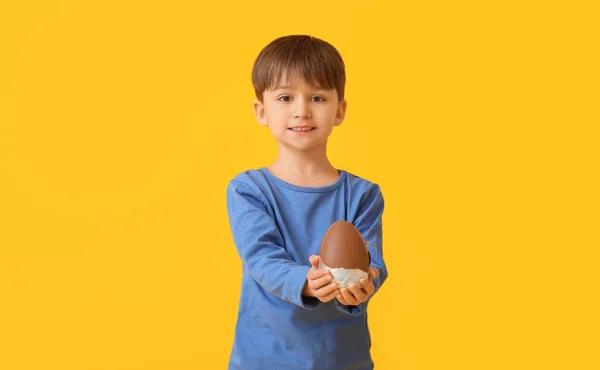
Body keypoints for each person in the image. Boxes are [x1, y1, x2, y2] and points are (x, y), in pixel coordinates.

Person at [226, 34, 388, 370]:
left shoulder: (363, 194)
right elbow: (262, 258)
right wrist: (306, 281)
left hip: (343, 360)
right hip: (264, 359)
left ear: (339, 111)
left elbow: (372, 261)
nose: (301, 111)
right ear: (261, 112)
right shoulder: (248, 189)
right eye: (285, 97)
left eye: (317, 97)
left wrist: (364, 281)